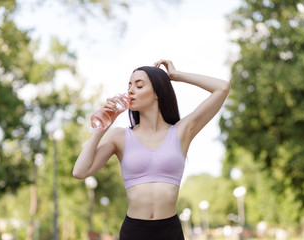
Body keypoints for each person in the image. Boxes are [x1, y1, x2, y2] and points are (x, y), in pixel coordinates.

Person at [72, 59, 230, 240]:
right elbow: (80, 171)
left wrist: (175, 76)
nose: (130, 90)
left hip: (170, 231)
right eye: (129, 85)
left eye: (139, 86)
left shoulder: (181, 131)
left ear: (157, 93)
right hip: (134, 231)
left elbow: (223, 88)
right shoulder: (119, 136)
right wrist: (104, 125)